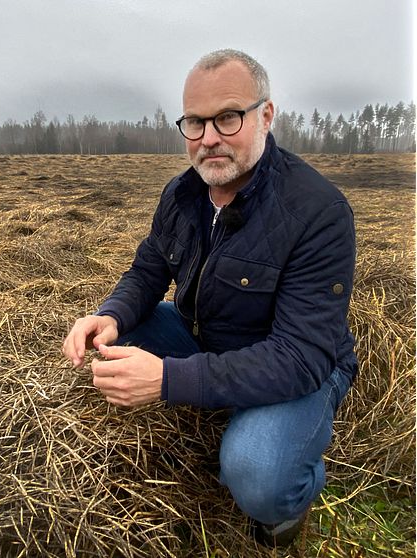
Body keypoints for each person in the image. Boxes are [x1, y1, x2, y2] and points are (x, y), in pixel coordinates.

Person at [61, 49, 356, 547]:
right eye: (194, 123)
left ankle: (291, 497)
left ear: (266, 115)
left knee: (258, 475)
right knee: (113, 338)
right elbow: (148, 270)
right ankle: (220, 407)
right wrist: (110, 315)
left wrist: (169, 380)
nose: (209, 138)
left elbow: (300, 355)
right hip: (205, 337)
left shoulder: (318, 213)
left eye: (226, 117)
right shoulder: (182, 194)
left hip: (294, 364)